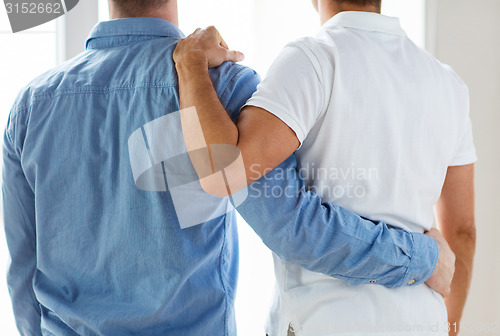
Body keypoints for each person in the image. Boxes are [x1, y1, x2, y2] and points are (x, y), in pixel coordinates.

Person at [2, 0, 454, 335]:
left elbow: (23, 271)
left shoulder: (29, 106)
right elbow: (293, 226)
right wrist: (422, 257)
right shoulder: (222, 87)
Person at [173, 0, 477, 335]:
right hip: (422, 321)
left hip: (323, 321)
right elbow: (462, 232)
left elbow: (223, 174)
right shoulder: (449, 85)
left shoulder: (314, 59)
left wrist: (190, 66)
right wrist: (448, 325)